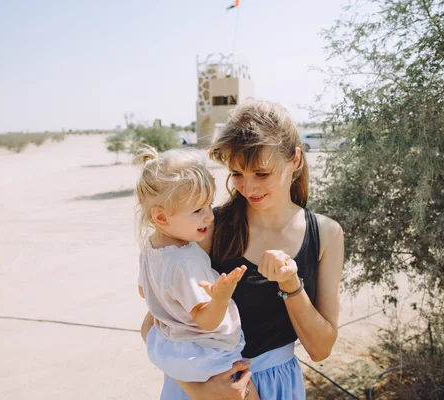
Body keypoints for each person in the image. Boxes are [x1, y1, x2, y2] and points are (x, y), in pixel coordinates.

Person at [141, 99, 344, 399]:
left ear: (296, 160)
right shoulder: (207, 229)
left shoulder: (326, 234)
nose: (248, 188)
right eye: (237, 173)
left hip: (278, 386)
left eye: (261, 174)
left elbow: (320, 349)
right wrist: (199, 389)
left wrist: (291, 286)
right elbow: (154, 326)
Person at [134, 147, 260, 399]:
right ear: (161, 216)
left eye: (209, 206)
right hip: (208, 353)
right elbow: (207, 321)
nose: (209, 217)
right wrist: (221, 297)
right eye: (197, 211)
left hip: (171, 346)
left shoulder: (151, 248)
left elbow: (143, 290)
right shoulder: (184, 260)